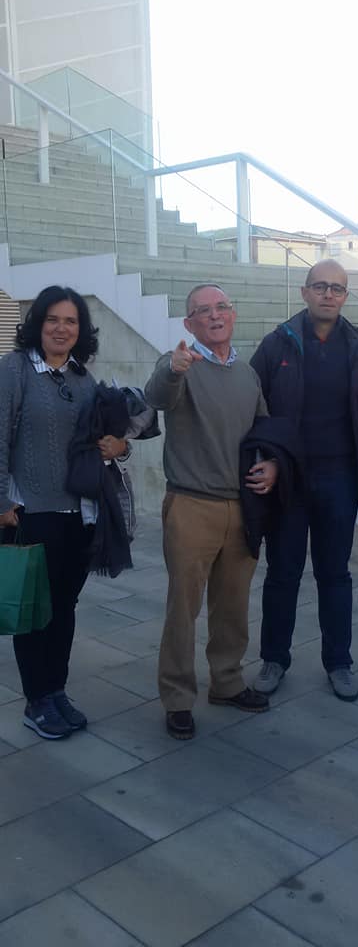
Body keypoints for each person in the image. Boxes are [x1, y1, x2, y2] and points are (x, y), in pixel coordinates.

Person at [144, 283, 278, 740]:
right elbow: (158, 394)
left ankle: (227, 682)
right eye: (203, 311)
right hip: (191, 506)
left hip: (242, 507)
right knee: (183, 609)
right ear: (189, 323)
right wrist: (174, 368)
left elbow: (264, 430)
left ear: (233, 314)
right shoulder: (179, 361)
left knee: (233, 605)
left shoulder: (247, 373)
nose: (215, 315)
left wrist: (273, 465)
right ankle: (178, 698)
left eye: (222, 307)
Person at [0, 285, 128, 739]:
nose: (61, 328)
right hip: (30, 513)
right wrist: (1, 501)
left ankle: (56, 690)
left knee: (64, 608)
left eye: (70, 321)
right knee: (34, 612)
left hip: (80, 513)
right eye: (52, 319)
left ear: (80, 330)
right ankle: (37, 701)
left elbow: (103, 439)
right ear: (37, 324)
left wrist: (122, 446)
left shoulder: (82, 379)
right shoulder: (14, 370)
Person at [250, 259, 358, 701]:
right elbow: (255, 409)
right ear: (304, 292)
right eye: (320, 286)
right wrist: (270, 459)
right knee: (282, 572)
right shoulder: (276, 345)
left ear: (345, 297)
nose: (329, 294)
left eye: (337, 288)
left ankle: (339, 662)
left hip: (339, 477)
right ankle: (274, 658)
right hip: (289, 479)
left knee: (334, 574)